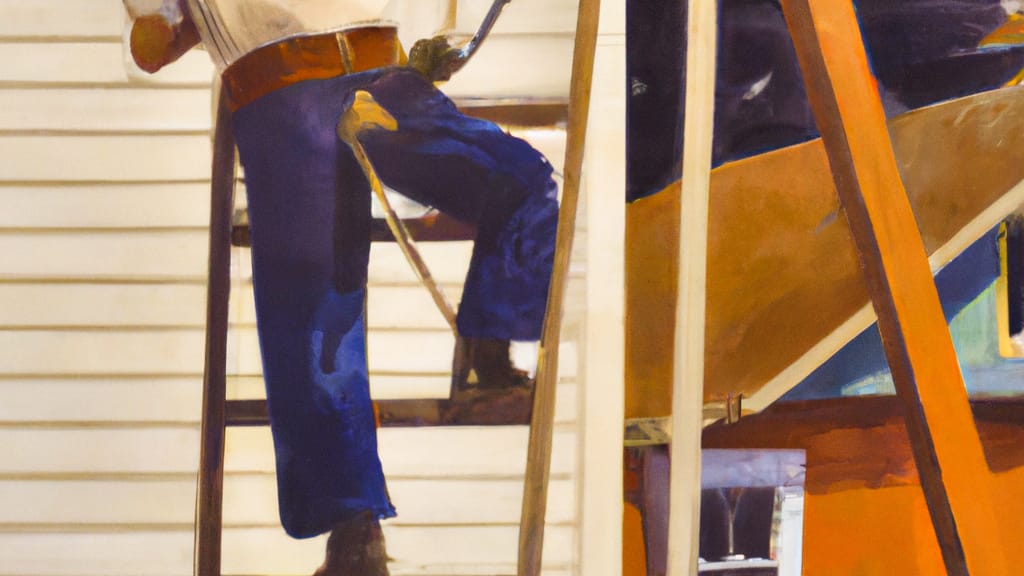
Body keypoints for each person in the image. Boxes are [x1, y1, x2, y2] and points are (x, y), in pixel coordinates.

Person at [122, 1, 558, 574]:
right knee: (318, 294)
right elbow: (153, 49)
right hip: (281, 88)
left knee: (523, 179)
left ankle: (488, 343)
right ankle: (353, 533)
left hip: (385, 77)